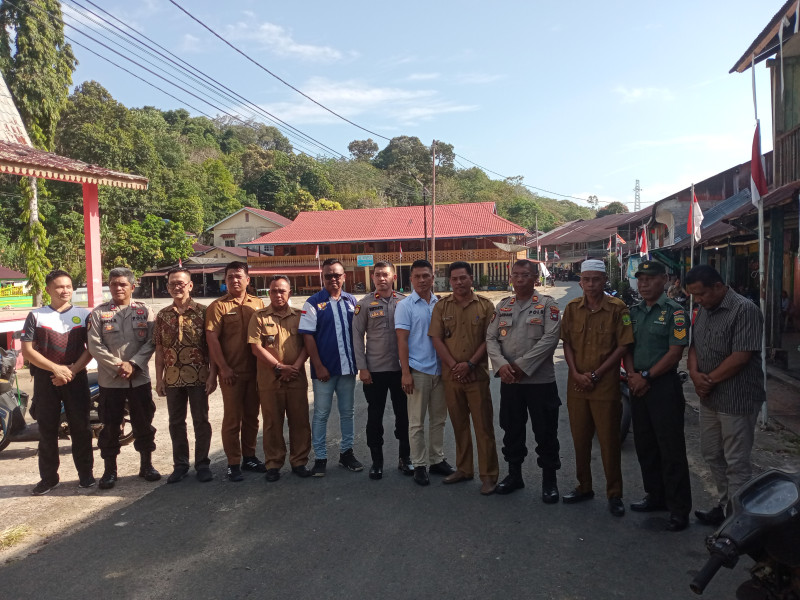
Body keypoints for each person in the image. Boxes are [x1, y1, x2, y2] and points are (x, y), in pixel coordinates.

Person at [686, 265, 766, 527]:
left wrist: (707, 381)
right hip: (710, 398)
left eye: (701, 294)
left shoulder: (745, 310)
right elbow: (694, 345)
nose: (698, 301)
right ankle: (725, 506)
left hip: (737, 398)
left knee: (736, 461)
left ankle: (739, 519)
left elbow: (741, 356)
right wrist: (695, 374)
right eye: (694, 296)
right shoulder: (704, 310)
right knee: (711, 453)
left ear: (718, 287)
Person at [560, 259, 633, 517]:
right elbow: (566, 343)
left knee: (609, 441)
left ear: (604, 281)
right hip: (577, 386)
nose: (591, 284)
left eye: (596, 279)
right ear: (580, 281)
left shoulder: (617, 308)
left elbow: (623, 345)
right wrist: (576, 373)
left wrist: (597, 373)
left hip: (606, 386)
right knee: (580, 440)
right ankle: (584, 487)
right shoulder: (571, 309)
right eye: (586, 279)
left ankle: (614, 494)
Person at [486, 259, 562, 503]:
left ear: (535, 278)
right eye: (516, 274)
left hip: (540, 382)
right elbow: (490, 338)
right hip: (510, 382)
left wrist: (522, 366)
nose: (520, 279)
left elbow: (551, 338)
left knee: (546, 432)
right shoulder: (503, 305)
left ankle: (549, 481)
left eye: (525, 275)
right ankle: (514, 475)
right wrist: (502, 365)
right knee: (511, 430)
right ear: (511, 278)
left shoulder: (547, 305)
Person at [623, 261, 692, 532]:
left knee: (671, 448)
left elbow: (675, 352)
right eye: (640, 279)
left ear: (664, 280)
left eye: (650, 279)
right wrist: (631, 375)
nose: (644, 284)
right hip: (637, 383)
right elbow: (626, 347)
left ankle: (678, 508)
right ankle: (655, 496)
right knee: (645, 444)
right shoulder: (633, 313)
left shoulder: (675, 313)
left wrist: (646, 377)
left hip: (662, 385)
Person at [21, 270, 94, 495]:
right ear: (49, 289)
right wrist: (55, 369)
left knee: (81, 428)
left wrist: (71, 371)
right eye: (60, 287)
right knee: (47, 430)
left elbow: (91, 348)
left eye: (69, 286)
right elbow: (27, 351)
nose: (65, 291)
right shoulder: (36, 315)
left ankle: (86, 476)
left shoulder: (84, 314)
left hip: (76, 375)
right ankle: (49, 479)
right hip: (46, 378)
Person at [430, 261, 499, 495]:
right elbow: (437, 339)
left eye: (463, 277)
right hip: (452, 378)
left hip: (476, 376)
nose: (459, 282)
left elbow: (490, 340)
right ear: (450, 281)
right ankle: (464, 468)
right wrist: (454, 366)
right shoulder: (441, 307)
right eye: (455, 278)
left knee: (483, 427)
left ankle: (489, 475)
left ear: (471, 278)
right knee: (459, 426)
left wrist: (469, 364)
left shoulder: (486, 306)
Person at [88, 267, 159, 489]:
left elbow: (151, 341)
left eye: (122, 284)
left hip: (139, 379)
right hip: (111, 381)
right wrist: (118, 366)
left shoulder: (145, 311)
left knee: (144, 423)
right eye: (113, 284)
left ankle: (146, 465)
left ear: (132, 286)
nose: (118, 288)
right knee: (109, 426)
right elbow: (94, 345)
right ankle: (110, 471)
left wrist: (133, 364)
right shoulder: (98, 314)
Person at [299, 258, 363, 476]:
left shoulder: (351, 300)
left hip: (347, 369)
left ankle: (346, 453)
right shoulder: (313, 303)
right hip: (324, 371)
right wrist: (318, 365)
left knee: (348, 413)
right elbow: (308, 337)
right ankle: (320, 457)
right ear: (322, 277)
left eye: (337, 275)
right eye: (328, 275)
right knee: (321, 414)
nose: (333, 279)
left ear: (344, 276)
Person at [395, 259, 455, 486]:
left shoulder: (439, 304)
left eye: (426, 276)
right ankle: (419, 464)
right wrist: (405, 373)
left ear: (433, 277)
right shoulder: (405, 306)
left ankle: (436, 459)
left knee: (439, 419)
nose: (422, 280)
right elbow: (401, 341)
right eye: (417, 276)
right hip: (417, 370)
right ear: (410, 279)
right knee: (416, 422)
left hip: (440, 371)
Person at [154, 267, 216, 484]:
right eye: (172, 284)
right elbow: (160, 349)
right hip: (172, 378)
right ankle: (180, 465)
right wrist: (159, 378)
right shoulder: (163, 315)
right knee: (175, 422)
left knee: (201, 421)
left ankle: (202, 464)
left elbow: (211, 347)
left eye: (180, 283)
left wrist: (212, 375)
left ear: (190, 285)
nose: (176, 287)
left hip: (199, 377)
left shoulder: (204, 312)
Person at [352, 262, 413, 480]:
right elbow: (357, 337)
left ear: (393, 277)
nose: (381, 278)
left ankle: (405, 459)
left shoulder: (404, 302)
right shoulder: (365, 304)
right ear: (373, 278)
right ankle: (377, 462)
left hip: (400, 370)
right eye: (377, 275)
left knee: (404, 417)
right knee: (374, 418)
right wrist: (362, 367)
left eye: (385, 274)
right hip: (374, 372)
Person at [248, 275, 312, 481]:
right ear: (269, 293)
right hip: (269, 379)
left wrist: (294, 367)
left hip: (296, 377)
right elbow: (256, 347)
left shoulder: (300, 315)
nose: (278, 294)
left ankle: (299, 461)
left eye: (282, 290)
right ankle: (273, 463)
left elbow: (306, 346)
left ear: (289, 292)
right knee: (272, 423)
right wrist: (278, 367)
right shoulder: (259, 317)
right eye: (274, 290)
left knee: (300, 421)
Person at [205, 261, 266, 481]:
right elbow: (212, 339)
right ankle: (233, 462)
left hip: (256, 371)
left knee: (252, 417)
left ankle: (249, 456)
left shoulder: (258, 303)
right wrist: (223, 368)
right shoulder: (218, 306)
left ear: (248, 280)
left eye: (239, 276)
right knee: (232, 419)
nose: (234, 280)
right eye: (230, 277)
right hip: (231, 373)